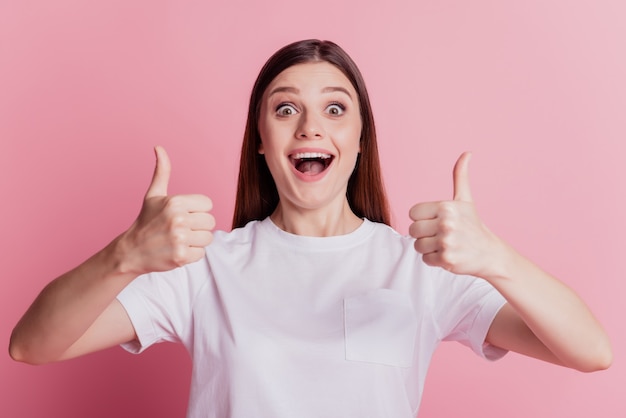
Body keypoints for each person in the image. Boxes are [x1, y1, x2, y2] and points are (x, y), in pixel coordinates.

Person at [9, 39, 612, 417]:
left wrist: (496, 259)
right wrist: (125, 254)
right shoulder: (203, 266)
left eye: (335, 108)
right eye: (285, 108)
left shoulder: (420, 267)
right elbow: (30, 346)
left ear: (357, 143)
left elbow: (591, 352)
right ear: (263, 146)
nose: (309, 127)